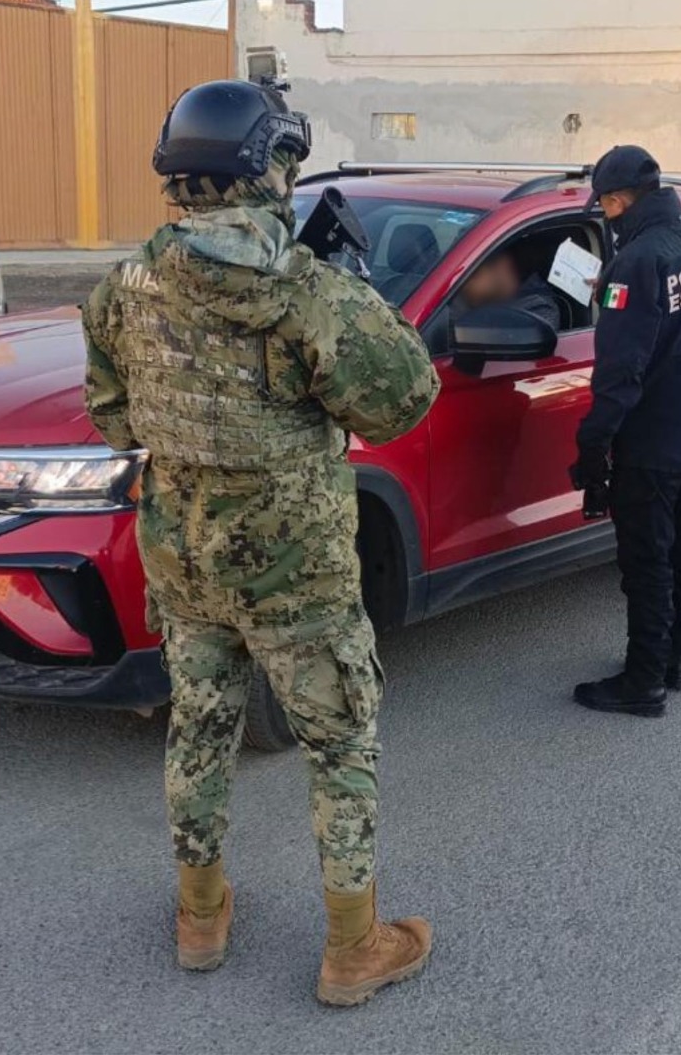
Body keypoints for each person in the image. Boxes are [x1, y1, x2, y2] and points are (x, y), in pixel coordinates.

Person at [82, 79, 442, 1007]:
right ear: (268, 167)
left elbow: (115, 422)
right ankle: (352, 950)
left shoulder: (121, 290)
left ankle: (201, 919)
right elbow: (404, 401)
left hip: (186, 558)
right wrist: (357, 294)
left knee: (199, 730)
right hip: (297, 574)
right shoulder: (310, 292)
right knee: (341, 745)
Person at [569, 145, 681, 718]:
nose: (606, 217)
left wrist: (593, 446)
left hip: (654, 443)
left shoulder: (636, 264)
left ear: (616, 201)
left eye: (606, 206)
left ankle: (642, 683)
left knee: (647, 562)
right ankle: (674, 660)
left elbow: (620, 371)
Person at [453, 248, 560, 335]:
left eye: (472, 276)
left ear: (502, 267)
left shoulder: (539, 311)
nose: (463, 285)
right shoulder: (469, 297)